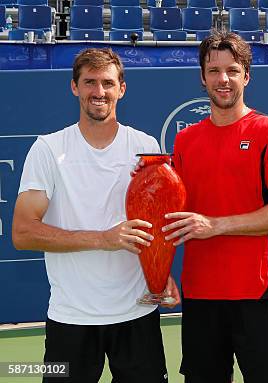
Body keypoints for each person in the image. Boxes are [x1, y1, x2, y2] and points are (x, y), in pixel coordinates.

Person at [12, 48, 179, 383]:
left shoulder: (145, 145)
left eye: (107, 83)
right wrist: (104, 239)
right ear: (74, 87)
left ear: (122, 89)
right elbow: (23, 233)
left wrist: (160, 274)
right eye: (89, 82)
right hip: (70, 319)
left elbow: (157, 223)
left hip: (137, 315)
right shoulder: (48, 149)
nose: (98, 92)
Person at [161, 30, 268, 383]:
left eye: (232, 70)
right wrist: (159, 273)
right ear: (202, 77)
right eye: (214, 71)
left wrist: (216, 225)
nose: (223, 80)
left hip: (259, 293)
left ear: (247, 76)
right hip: (200, 296)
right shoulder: (185, 139)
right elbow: (170, 214)